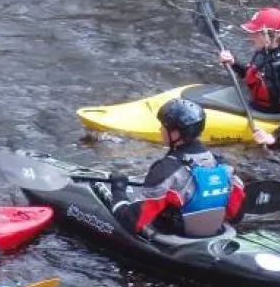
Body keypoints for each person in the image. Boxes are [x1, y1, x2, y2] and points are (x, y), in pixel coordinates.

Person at [102, 98, 245, 239]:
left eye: (164, 126)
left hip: (175, 238)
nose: (160, 129)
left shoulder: (166, 170)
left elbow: (131, 222)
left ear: (176, 133)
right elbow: (236, 216)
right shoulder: (225, 167)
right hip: (215, 234)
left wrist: (119, 190)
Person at [217, 5, 280, 146]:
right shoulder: (264, 51)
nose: (251, 36)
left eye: (256, 33)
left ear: (270, 35)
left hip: (273, 116)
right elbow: (254, 77)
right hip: (257, 106)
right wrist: (233, 63)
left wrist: (273, 136)